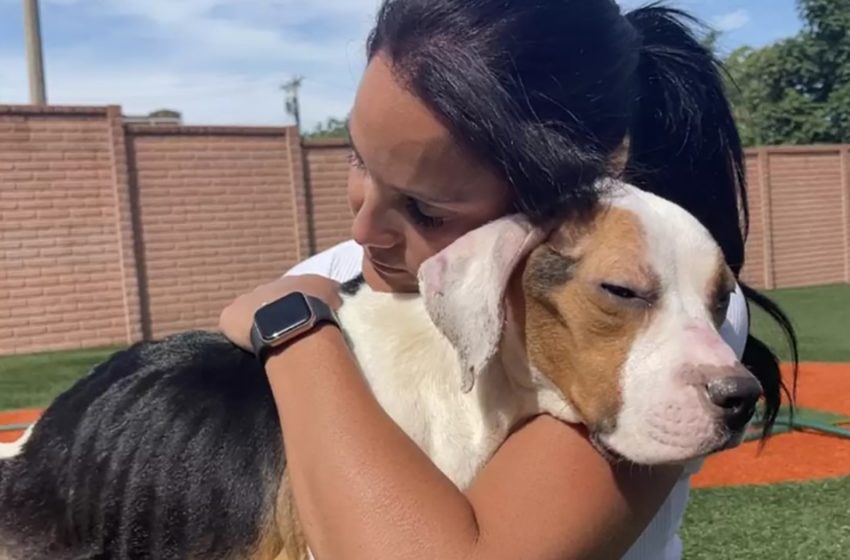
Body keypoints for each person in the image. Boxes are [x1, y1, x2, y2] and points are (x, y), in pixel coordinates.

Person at [219, 1, 797, 558]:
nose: (364, 228)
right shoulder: (324, 277)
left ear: (593, 181)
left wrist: (294, 334)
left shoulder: (674, 312)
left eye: (427, 208)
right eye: (359, 160)